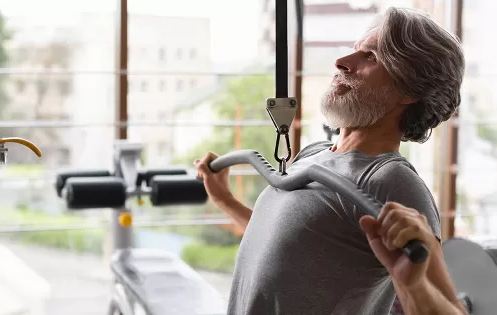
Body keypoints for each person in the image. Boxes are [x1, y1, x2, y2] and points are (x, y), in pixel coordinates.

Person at [195, 7, 466, 315]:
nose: (341, 62)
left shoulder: (390, 182)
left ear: (407, 89)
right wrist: (226, 200)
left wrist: (415, 286)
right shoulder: (315, 154)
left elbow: (448, 307)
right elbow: (289, 246)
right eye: (355, 50)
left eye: (371, 57)